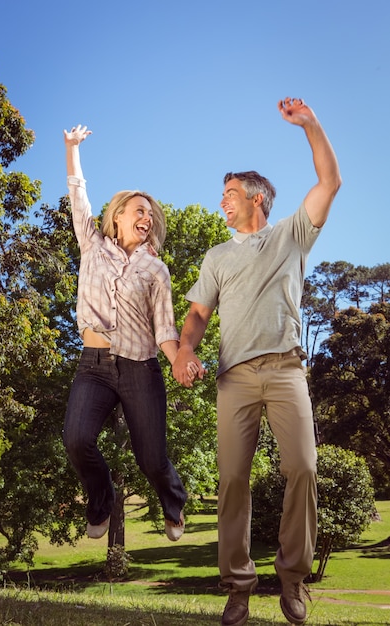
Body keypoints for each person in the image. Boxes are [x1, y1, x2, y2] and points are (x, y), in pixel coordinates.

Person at [172, 97, 341, 626]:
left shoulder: (291, 234)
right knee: (232, 481)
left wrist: (310, 124)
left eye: (229, 194)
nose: (221, 202)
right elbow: (198, 314)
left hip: (288, 370)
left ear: (257, 197)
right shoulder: (216, 257)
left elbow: (329, 181)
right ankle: (238, 586)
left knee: (303, 468)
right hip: (235, 379)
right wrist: (185, 348)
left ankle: (292, 580)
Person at [63, 124, 191, 543]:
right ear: (117, 215)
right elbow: (78, 197)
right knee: (77, 439)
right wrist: (72, 149)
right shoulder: (93, 246)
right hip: (94, 365)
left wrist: (180, 361)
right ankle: (101, 501)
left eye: (149, 213)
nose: (146, 216)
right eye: (138, 210)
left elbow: (166, 330)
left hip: (141, 369)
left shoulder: (156, 270)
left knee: (152, 459)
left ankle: (174, 502)